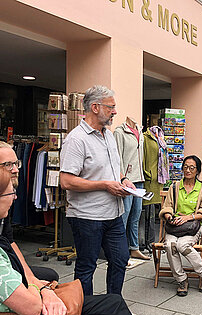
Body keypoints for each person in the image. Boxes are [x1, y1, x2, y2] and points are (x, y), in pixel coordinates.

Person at [0, 171, 153, 315]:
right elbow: (30, 307)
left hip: (24, 302)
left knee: (113, 303)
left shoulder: (3, 227)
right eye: (10, 193)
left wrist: (37, 286)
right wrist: (42, 290)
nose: (16, 196)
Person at [60, 85, 135, 296]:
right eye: (111, 107)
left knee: (120, 260)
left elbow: (112, 170)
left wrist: (123, 179)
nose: (115, 111)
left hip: (113, 214)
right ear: (95, 107)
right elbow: (66, 181)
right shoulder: (76, 139)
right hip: (87, 216)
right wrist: (104, 185)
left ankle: (113, 308)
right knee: (86, 267)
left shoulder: (108, 136)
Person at [0, 141, 59, 282]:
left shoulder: (6, 203)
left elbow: (10, 242)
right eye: (8, 164)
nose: (15, 169)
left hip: (6, 263)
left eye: (16, 163)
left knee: (49, 276)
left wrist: (30, 278)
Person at [159, 155, 202, 297]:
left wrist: (188, 217)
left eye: (192, 168)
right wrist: (169, 217)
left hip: (191, 226)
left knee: (182, 246)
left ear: (197, 171)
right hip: (175, 226)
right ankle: (182, 280)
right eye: (185, 167)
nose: (188, 170)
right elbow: (167, 207)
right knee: (169, 245)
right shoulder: (174, 187)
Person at [114, 117, 150, 260]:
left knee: (136, 215)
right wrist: (122, 178)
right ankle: (120, 252)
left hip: (139, 179)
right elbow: (117, 158)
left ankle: (134, 248)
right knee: (125, 215)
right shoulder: (119, 132)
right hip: (127, 181)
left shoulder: (140, 131)